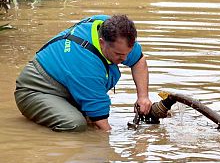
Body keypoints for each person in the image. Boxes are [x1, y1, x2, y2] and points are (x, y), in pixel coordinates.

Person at [15, 14, 163, 132]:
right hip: (35, 89)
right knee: (75, 124)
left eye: (127, 53)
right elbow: (102, 124)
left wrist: (143, 97)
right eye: (119, 54)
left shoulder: (116, 33)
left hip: (67, 82)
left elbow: (139, 60)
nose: (124, 59)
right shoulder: (86, 62)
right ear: (102, 42)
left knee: (88, 117)